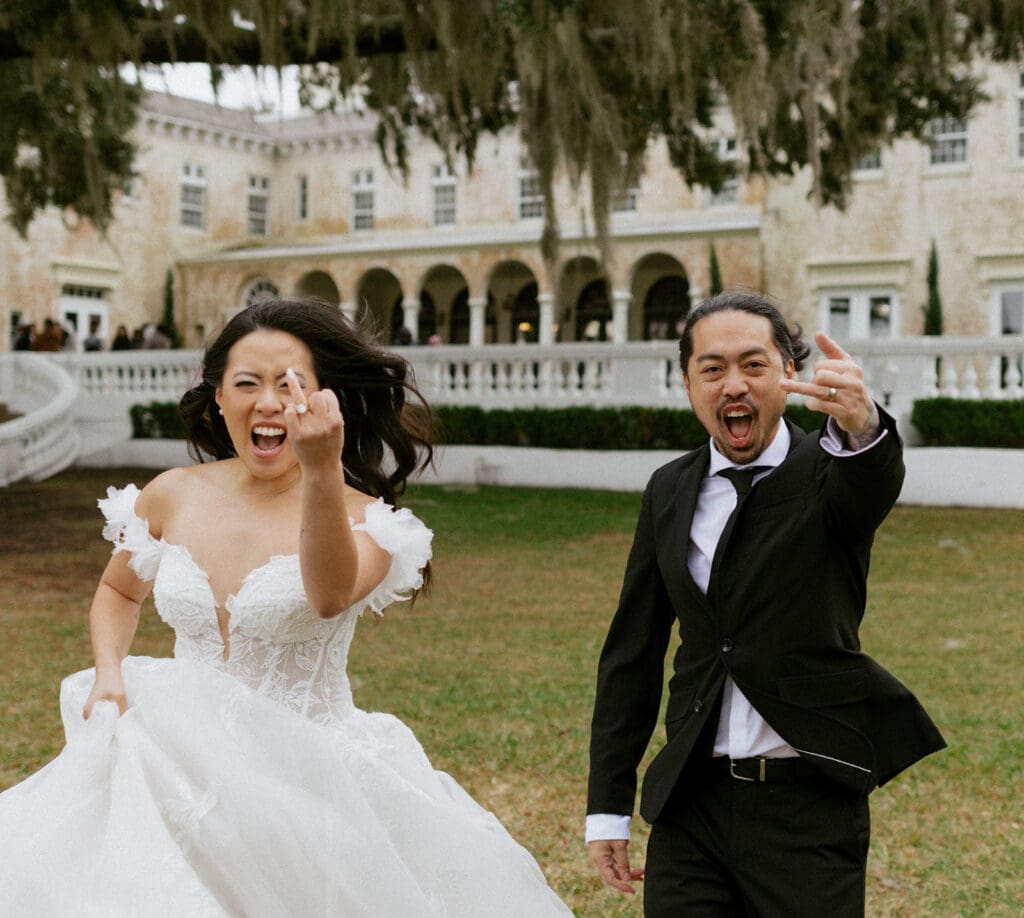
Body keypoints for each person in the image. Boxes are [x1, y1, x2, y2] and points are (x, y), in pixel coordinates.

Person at [0, 297, 571, 917]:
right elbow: (118, 591)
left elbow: (327, 597)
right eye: (247, 384)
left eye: (289, 384)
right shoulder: (172, 494)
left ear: (324, 399)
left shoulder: (372, 523)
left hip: (306, 779)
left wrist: (321, 470)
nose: (268, 403)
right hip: (170, 756)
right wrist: (110, 672)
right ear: (218, 396)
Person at [586, 291, 946, 916]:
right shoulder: (668, 489)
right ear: (687, 382)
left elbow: (870, 485)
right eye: (713, 368)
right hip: (691, 806)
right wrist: (607, 809)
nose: (734, 385)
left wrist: (862, 424)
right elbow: (632, 653)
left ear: (788, 373)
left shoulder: (832, 470)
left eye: (754, 365)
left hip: (807, 810)